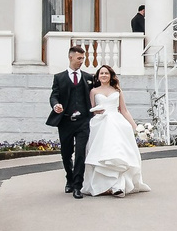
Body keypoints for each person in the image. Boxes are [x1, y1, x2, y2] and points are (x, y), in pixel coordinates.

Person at [81, 64, 148, 197]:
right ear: (98, 76)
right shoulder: (93, 91)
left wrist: (137, 128)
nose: (104, 75)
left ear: (111, 76)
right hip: (100, 124)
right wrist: (95, 112)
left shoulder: (117, 91)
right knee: (102, 154)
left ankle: (118, 185)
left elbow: (124, 110)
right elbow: (90, 110)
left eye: (106, 73)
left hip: (116, 123)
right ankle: (104, 185)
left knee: (117, 152)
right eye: (101, 73)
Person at [48, 44, 96, 197]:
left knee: (81, 153)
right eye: (79, 58)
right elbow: (54, 95)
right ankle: (69, 179)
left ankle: (77, 186)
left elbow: (95, 94)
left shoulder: (88, 78)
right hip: (66, 121)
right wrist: (56, 105)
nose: (81, 61)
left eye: (83, 58)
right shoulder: (59, 77)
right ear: (71, 57)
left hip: (83, 121)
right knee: (66, 153)